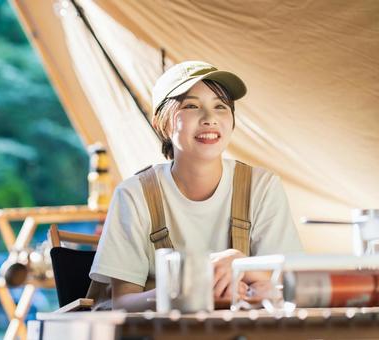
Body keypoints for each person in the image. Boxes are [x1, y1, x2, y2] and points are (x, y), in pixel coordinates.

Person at [89, 61, 303, 311]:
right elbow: (122, 302)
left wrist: (242, 264)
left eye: (221, 106)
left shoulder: (262, 187)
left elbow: (291, 285)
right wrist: (191, 289)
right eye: (191, 106)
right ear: (162, 124)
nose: (210, 118)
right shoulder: (135, 195)